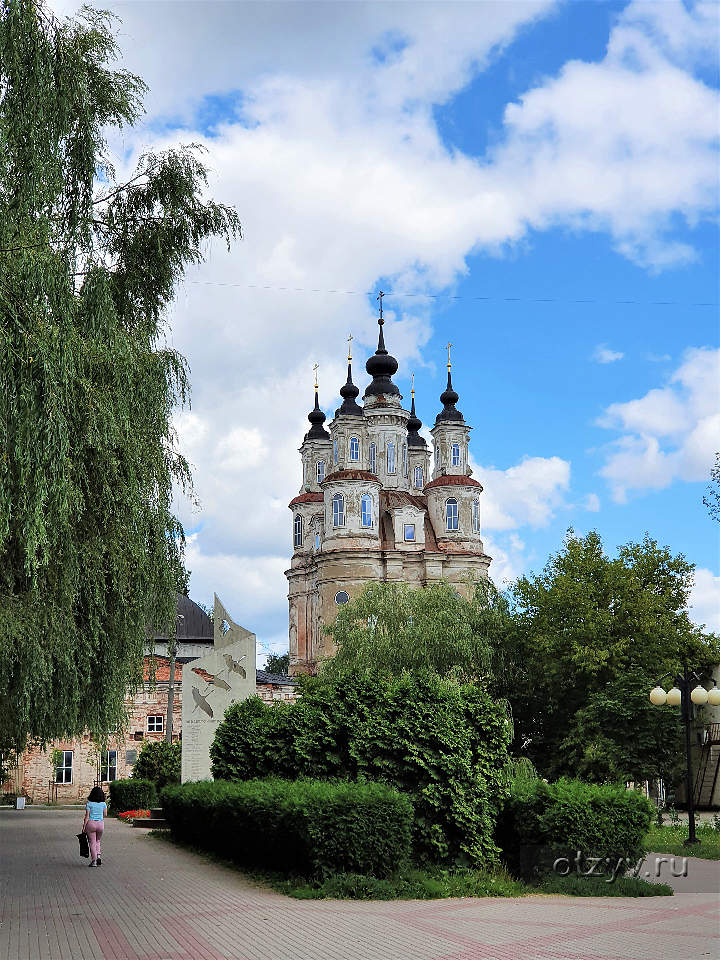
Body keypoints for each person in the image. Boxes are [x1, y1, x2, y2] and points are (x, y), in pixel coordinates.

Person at [82, 786, 107, 867]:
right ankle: (98, 855)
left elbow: (87, 817)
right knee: (98, 841)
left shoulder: (89, 804)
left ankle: (94, 861)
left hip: (91, 824)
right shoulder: (103, 804)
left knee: (92, 842)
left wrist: (84, 828)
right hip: (100, 824)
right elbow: (105, 814)